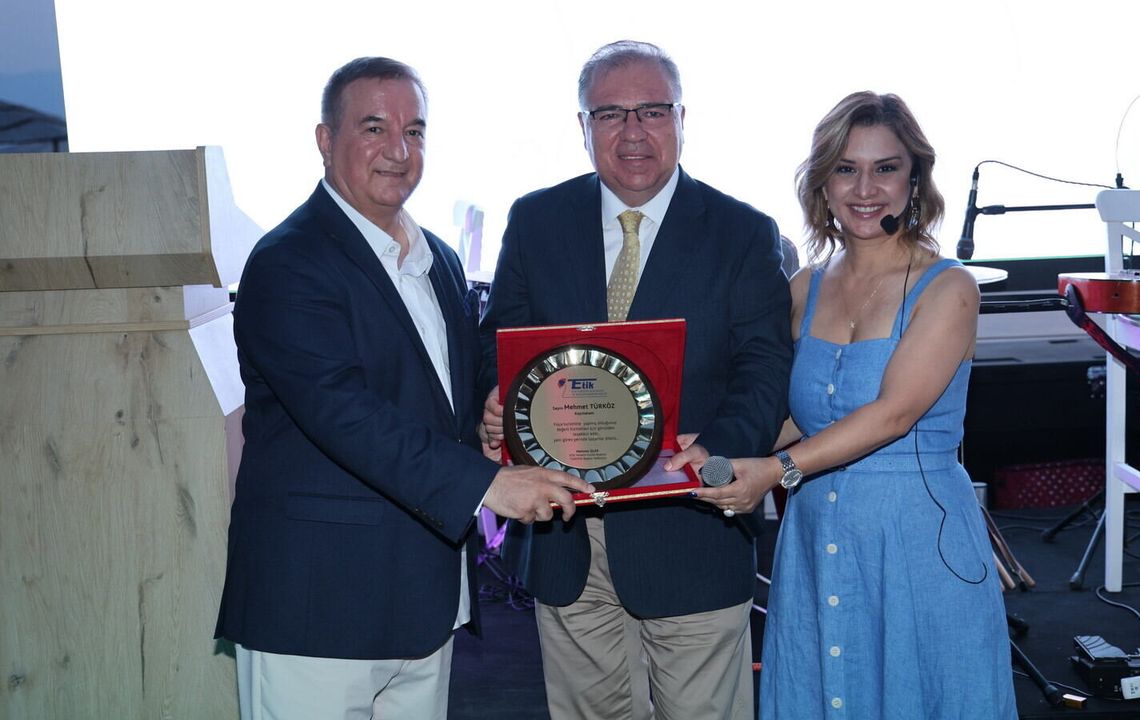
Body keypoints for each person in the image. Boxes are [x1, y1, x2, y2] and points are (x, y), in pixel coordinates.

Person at [215, 56, 591, 720]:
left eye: (414, 131)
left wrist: (489, 419)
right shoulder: (287, 261)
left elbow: (440, 396)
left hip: (424, 601)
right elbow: (343, 414)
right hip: (319, 609)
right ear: (325, 140)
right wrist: (490, 484)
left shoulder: (437, 256)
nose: (399, 150)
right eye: (374, 128)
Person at [478, 40, 792, 720]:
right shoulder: (535, 221)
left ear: (681, 119)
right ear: (583, 126)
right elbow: (498, 345)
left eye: (652, 111)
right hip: (566, 534)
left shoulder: (742, 232)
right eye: (610, 114)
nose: (632, 132)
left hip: (690, 527)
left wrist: (715, 454)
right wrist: (494, 402)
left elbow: (765, 370)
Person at [688, 92, 1018, 718]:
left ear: (915, 179)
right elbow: (795, 414)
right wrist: (713, 448)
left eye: (885, 168)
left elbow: (894, 413)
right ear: (823, 183)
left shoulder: (949, 286)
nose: (866, 189)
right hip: (816, 536)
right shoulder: (804, 287)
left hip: (919, 540)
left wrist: (776, 470)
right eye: (846, 168)